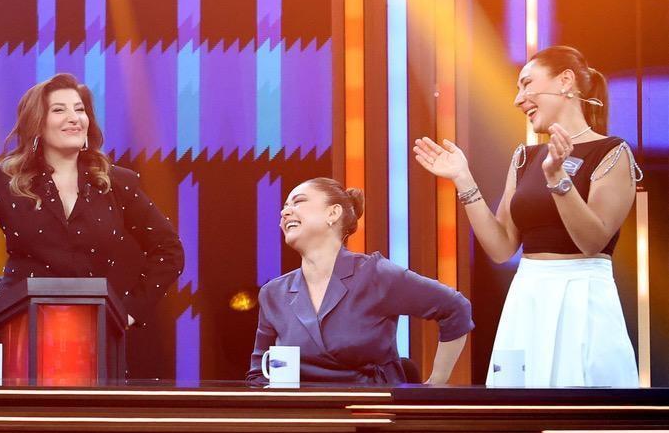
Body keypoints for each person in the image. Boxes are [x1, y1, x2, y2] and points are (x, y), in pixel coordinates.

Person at [0, 73, 184, 350]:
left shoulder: (116, 183)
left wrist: (130, 310)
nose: (74, 118)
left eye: (80, 110)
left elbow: (168, 249)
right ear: (37, 124)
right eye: (59, 110)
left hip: (91, 331)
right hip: (13, 325)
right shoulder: (7, 181)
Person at [414, 45, 641, 387]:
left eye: (527, 84)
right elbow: (501, 247)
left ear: (565, 81)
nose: (518, 99)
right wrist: (464, 179)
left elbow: (592, 241)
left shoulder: (611, 152)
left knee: (582, 403)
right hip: (527, 295)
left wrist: (558, 179)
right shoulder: (525, 157)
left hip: (582, 295)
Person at [247, 178, 472, 385]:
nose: (285, 212)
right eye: (285, 206)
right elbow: (258, 376)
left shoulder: (375, 274)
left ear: (333, 213)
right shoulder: (273, 293)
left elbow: (455, 308)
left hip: (370, 407)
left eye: (298, 202)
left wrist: (436, 383)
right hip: (303, 410)